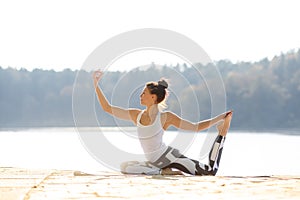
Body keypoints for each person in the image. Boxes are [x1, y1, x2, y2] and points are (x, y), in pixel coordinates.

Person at [93, 70, 233, 176]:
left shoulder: (166, 117)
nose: (140, 96)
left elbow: (195, 127)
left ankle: (222, 132)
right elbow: (107, 108)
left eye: (143, 93)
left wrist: (219, 118)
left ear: (153, 97)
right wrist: (96, 85)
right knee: (125, 166)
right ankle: (162, 171)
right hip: (154, 162)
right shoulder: (136, 115)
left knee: (209, 172)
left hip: (168, 156)